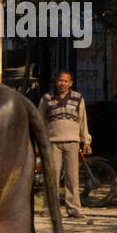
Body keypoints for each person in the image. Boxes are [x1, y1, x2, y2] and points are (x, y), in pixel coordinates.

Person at [39, 71, 91, 220]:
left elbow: (83, 122)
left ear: (71, 83)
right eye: (60, 80)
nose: (62, 83)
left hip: (72, 141)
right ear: (56, 82)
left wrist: (86, 140)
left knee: (72, 177)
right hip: (52, 142)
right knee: (52, 176)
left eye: (65, 81)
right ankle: (50, 208)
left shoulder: (78, 98)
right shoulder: (47, 98)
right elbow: (39, 121)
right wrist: (40, 142)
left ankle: (74, 208)